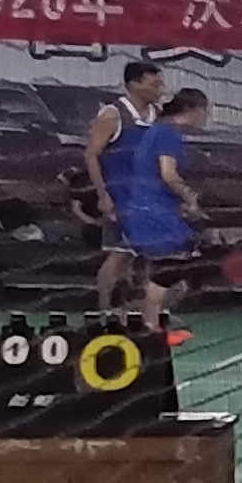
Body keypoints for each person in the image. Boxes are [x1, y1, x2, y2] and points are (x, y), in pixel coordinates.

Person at [103, 84, 207, 341]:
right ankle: (147, 323)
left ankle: (150, 321)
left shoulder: (156, 131)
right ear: (192, 110)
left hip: (149, 208)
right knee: (176, 265)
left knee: (168, 266)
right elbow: (168, 174)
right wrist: (190, 198)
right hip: (153, 212)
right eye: (204, 111)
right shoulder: (167, 133)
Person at [85, 58, 167, 321]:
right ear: (134, 84)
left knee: (146, 257)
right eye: (154, 84)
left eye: (161, 84)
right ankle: (104, 312)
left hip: (149, 197)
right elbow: (91, 155)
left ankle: (142, 315)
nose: (160, 90)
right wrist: (103, 195)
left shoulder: (157, 116)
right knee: (119, 255)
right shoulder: (114, 114)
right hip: (122, 196)